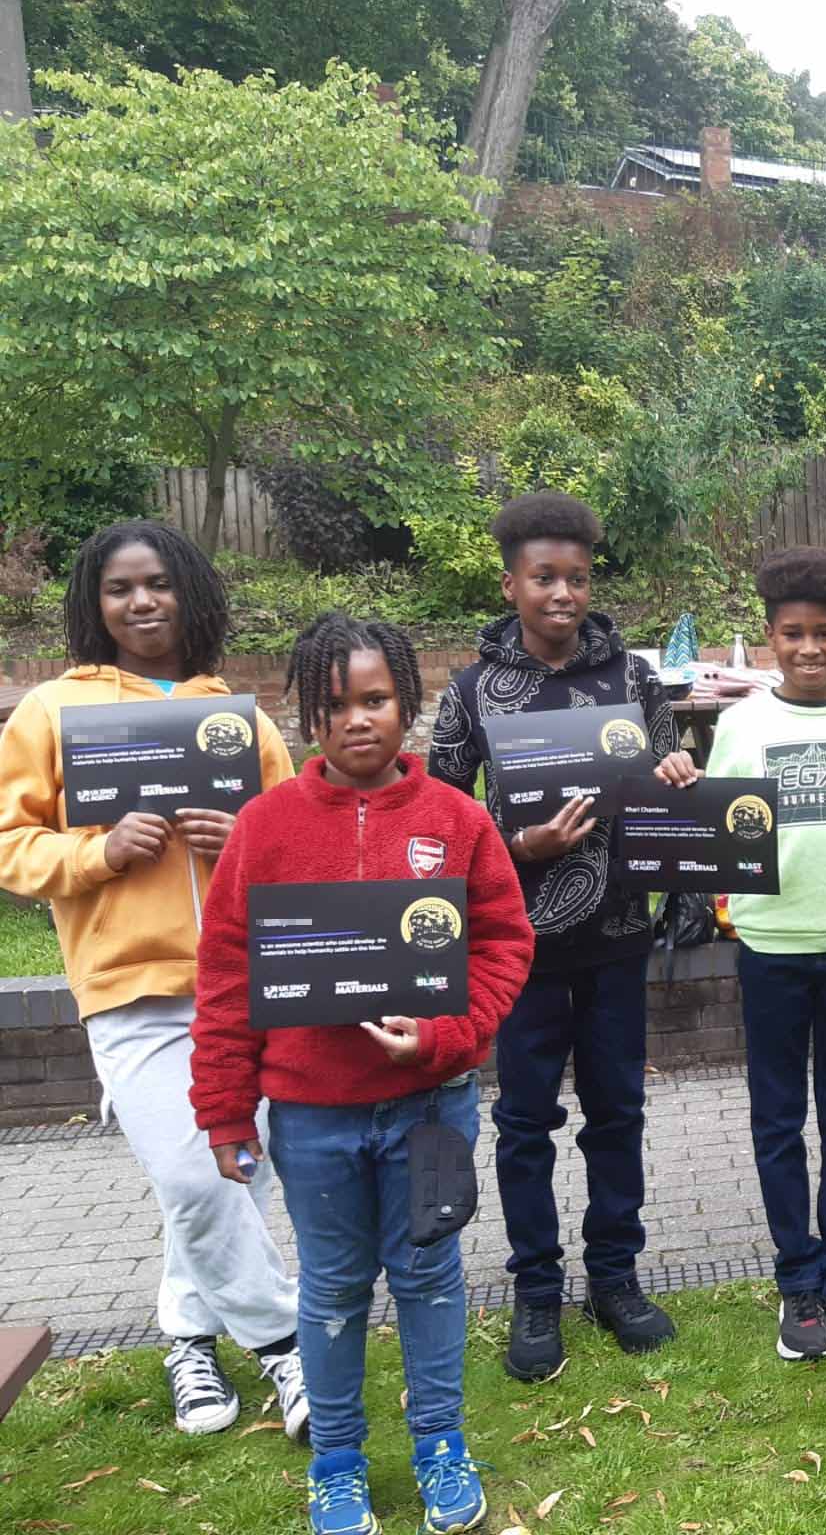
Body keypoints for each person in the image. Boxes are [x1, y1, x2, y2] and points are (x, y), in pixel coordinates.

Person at [190, 612, 534, 1535]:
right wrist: (225, 1110)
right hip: (313, 1117)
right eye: (335, 704)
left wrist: (444, 1038)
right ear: (309, 716)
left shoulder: (458, 822)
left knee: (428, 1279)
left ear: (408, 704)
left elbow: (505, 945)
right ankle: (336, 1461)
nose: (357, 720)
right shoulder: (263, 830)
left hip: (430, 1108)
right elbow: (225, 977)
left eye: (376, 699)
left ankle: (439, 1444)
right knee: (334, 1289)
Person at [0, 522, 304, 1438]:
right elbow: (12, 846)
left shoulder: (235, 716)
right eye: (120, 588)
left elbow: (295, 837)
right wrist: (99, 850)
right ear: (94, 602)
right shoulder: (53, 711)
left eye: (160, 584)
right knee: (198, 1178)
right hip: (134, 993)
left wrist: (242, 839)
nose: (141, 603)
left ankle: (187, 1343)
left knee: (226, 1178)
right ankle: (291, 1349)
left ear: (190, 594)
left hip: (246, 988)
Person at [428, 492, 696, 1381]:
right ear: (511, 584)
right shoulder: (473, 694)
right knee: (525, 1122)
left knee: (618, 1113)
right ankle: (536, 1290)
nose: (563, 593)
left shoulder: (634, 680)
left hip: (620, 933)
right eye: (544, 577)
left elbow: (665, 790)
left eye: (578, 577)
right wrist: (516, 848)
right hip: (520, 948)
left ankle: (614, 1278)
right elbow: (437, 819)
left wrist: (678, 774)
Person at [706, 547, 826, 1360]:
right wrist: (681, 779)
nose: (810, 649)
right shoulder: (741, 725)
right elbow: (712, 831)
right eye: (793, 635)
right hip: (771, 948)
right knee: (780, 1120)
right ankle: (798, 1280)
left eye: (825, 633)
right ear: (769, 637)